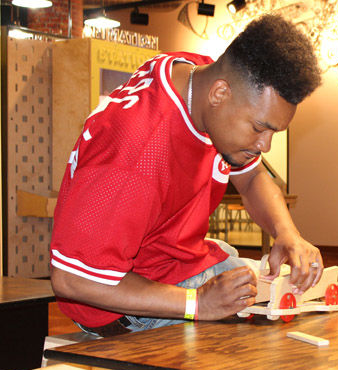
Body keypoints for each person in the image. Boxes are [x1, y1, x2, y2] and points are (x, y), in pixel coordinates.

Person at [50, 14, 323, 338]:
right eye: (259, 128)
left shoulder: (199, 79)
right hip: (117, 304)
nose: (264, 145)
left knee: (292, 292)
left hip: (173, 260)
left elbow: (251, 179)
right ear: (219, 94)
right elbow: (73, 280)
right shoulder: (136, 149)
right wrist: (197, 304)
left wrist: (286, 232)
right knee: (270, 335)